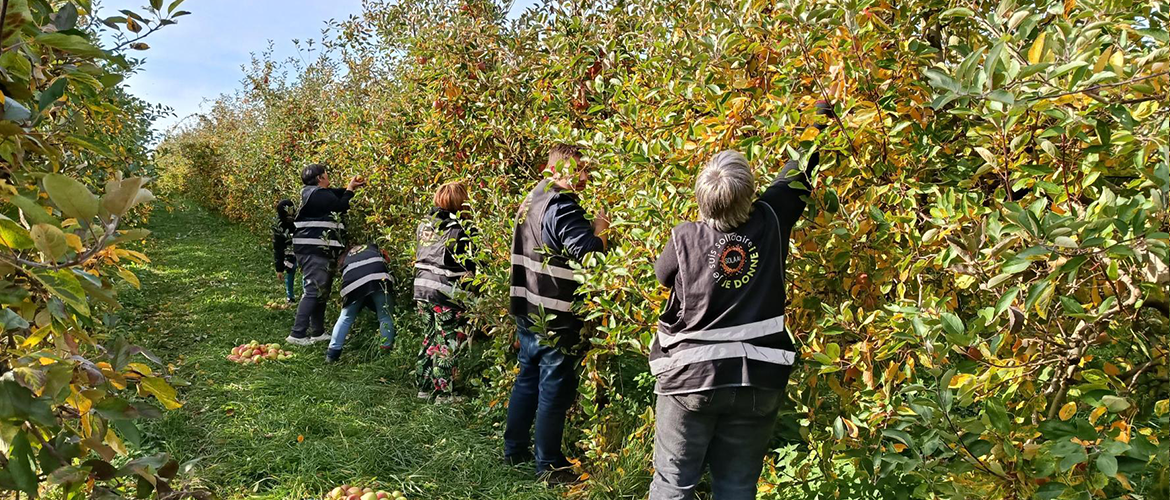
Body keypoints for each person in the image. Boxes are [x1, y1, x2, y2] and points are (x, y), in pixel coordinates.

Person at [647, 102, 832, 500]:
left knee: (673, 483)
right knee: (737, 486)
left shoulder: (685, 238)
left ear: (702, 199)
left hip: (691, 379)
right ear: (750, 194)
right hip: (758, 379)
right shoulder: (772, 219)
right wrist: (820, 116)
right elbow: (799, 167)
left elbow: (663, 276)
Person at [503, 144, 609, 484]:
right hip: (554, 313)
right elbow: (589, 253)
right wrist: (603, 223)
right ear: (557, 169)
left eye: (586, 169)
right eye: (578, 170)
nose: (585, 177)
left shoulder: (533, 198)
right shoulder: (562, 206)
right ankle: (549, 465)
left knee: (527, 378)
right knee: (554, 388)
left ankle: (515, 449)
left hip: (527, 306)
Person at [413, 181, 478, 403]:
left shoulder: (425, 224)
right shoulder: (462, 228)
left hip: (422, 287)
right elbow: (471, 266)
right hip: (445, 290)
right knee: (447, 341)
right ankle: (444, 393)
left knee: (429, 337)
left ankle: (423, 388)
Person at [286, 163, 366, 346]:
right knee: (313, 290)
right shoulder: (317, 194)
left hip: (317, 249)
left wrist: (351, 187)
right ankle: (297, 334)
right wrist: (349, 190)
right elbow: (340, 205)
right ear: (320, 178)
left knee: (321, 291)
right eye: (326, 174)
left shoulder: (314, 194)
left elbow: (335, 194)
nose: (328, 177)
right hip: (313, 249)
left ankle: (318, 331)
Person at [324, 243, 396, 362]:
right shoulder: (373, 247)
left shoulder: (345, 258)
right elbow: (387, 259)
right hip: (379, 276)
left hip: (353, 282)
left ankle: (332, 354)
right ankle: (385, 353)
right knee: (385, 316)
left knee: (346, 317)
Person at [272, 199, 298, 303]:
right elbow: (278, 248)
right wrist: (279, 269)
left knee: (306, 270)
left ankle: (308, 294)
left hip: (302, 247)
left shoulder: (299, 219)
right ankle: (290, 296)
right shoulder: (279, 226)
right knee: (290, 268)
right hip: (288, 250)